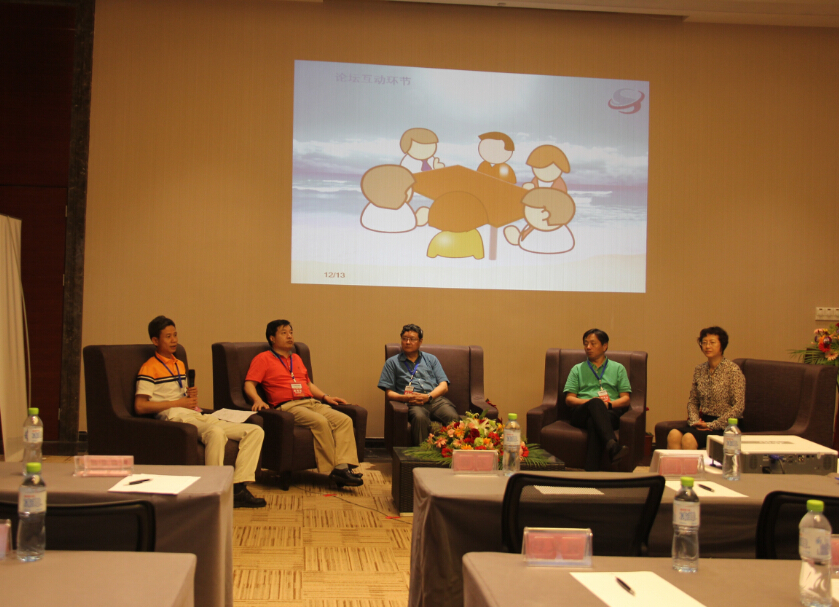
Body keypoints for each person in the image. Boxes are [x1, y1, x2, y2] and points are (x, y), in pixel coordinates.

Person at [135, 316, 266, 508]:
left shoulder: (178, 364)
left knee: (254, 431)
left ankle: (238, 487)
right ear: (155, 340)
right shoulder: (149, 368)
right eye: (168, 337)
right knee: (215, 433)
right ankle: (213, 492)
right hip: (173, 417)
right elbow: (140, 406)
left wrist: (188, 395)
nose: (174, 340)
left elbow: (178, 393)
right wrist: (179, 402)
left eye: (175, 335)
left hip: (193, 414)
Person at [244, 320, 362, 488]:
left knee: (344, 420)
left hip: (310, 402)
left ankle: (343, 468)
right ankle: (334, 469)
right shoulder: (263, 358)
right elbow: (249, 384)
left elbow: (308, 384)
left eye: (291, 332)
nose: (289, 336)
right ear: (272, 338)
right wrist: (257, 400)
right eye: (284, 333)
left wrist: (325, 397)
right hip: (289, 406)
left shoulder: (296, 358)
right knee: (320, 422)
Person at [378, 324, 460, 446]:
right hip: (413, 402)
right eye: (404, 338)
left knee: (452, 417)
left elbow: (444, 386)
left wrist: (428, 397)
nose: (407, 342)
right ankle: (421, 453)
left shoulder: (431, 359)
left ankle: (452, 453)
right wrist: (405, 398)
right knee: (419, 418)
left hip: (434, 400)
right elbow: (389, 393)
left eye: (412, 339)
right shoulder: (392, 362)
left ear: (420, 341)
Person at [667, 327, 746, 450]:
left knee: (688, 438)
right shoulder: (699, 370)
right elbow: (693, 401)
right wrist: (695, 422)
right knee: (673, 435)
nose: (707, 346)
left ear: (722, 345)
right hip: (704, 422)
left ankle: (692, 464)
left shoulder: (733, 370)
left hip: (726, 426)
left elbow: (739, 407)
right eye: (704, 342)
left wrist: (713, 425)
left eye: (712, 342)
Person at [564, 328, 631, 471]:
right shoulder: (577, 369)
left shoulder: (618, 368)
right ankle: (612, 445)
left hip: (609, 413)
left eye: (593, 343)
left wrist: (607, 405)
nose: (588, 347)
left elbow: (625, 399)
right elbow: (569, 399)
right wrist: (592, 403)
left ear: (604, 346)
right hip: (581, 413)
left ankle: (591, 471)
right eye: (585, 344)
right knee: (595, 403)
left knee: (594, 422)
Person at [503, 188, 576, 254]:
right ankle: (518, 239)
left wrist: (520, 241)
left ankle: (518, 240)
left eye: (529, 210)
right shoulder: (535, 225)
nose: (524, 214)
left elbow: (531, 245)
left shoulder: (545, 232)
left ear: (545, 214)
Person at [359, 165, 429, 233]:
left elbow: (367, 221)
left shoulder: (372, 208)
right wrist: (417, 220)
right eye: (408, 188)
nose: (412, 191)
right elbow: (408, 224)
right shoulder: (402, 209)